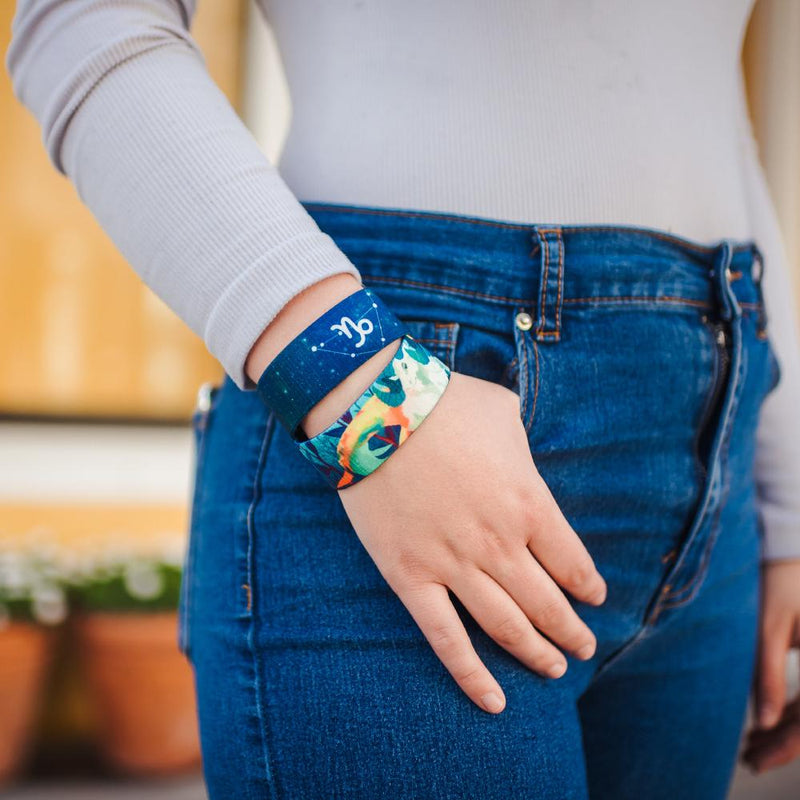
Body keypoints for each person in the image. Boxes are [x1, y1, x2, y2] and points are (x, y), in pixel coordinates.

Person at [7, 1, 800, 797]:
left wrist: (788, 511)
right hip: (391, 380)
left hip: (714, 414)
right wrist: (367, 390)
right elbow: (82, 23)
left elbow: (718, 117)